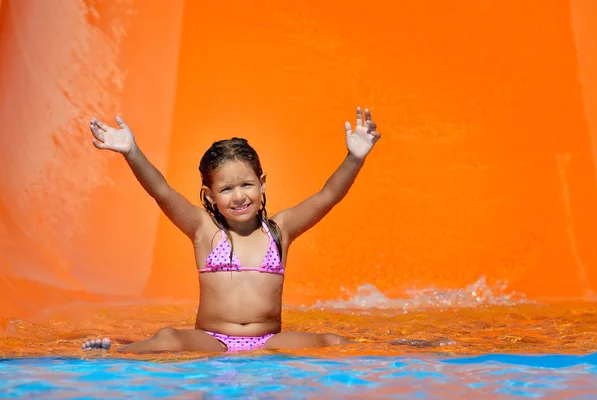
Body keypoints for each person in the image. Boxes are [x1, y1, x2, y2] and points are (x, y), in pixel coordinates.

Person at [82, 107, 381, 353]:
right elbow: (161, 190)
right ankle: (112, 354)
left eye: (247, 185)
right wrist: (131, 152)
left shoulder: (279, 231)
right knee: (168, 337)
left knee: (332, 342)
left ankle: (390, 349)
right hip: (212, 341)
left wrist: (354, 158)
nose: (239, 196)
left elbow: (327, 196)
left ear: (262, 183)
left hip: (269, 342)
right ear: (210, 196)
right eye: (226, 189)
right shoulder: (205, 231)